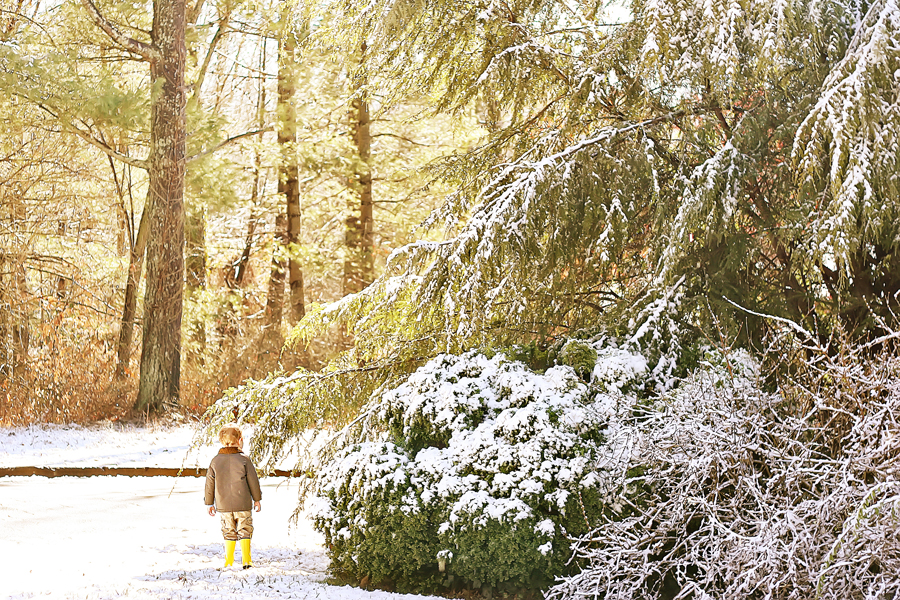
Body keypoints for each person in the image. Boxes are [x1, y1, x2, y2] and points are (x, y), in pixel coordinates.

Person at [204, 423, 262, 569]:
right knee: (245, 529)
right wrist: (257, 499)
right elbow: (253, 481)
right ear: (240, 440)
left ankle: (229, 561)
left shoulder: (215, 461)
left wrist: (209, 503)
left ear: (222, 442)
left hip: (223, 505)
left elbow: (209, 484)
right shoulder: (244, 460)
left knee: (228, 530)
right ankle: (246, 560)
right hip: (242, 503)